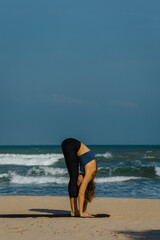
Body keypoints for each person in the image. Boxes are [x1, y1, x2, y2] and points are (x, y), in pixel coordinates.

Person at [61, 138, 98, 217]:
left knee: (74, 177)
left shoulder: (90, 176)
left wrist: (85, 211)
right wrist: (82, 213)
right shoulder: (89, 174)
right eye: (79, 185)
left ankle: (76, 210)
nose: (78, 184)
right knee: (73, 178)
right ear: (83, 182)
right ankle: (74, 211)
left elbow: (84, 194)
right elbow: (81, 193)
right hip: (70, 144)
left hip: (72, 146)